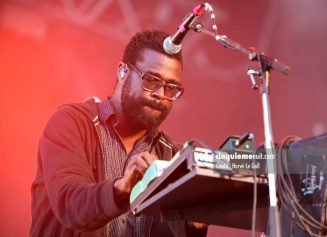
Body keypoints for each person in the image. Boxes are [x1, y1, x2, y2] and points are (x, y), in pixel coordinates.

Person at [30, 30, 207, 237]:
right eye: (151, 80)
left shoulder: (170, 154)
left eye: (171, 87)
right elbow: (71, 204)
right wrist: (121, 189)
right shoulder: (71, 123)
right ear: (123, 72)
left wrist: (194, 224)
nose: (160, 94)